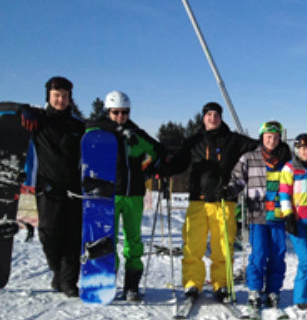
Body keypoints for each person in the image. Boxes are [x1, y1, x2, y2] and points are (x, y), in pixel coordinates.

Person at [164, 102, 258, 301]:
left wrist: (280, 149)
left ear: (221, 117)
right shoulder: (194, 141)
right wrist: (161, 170)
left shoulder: (233, 140)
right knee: (193, 245)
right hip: (198, 201)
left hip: (225, 201)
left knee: (223, 246)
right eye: (209, 115)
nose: (212, 118)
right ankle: (192, 284)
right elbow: (178, 163)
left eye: (216, 114)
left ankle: (221, 284)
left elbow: (260, 147)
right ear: (203, 117)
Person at [87, 91, 164, 300]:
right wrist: (114, 130)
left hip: (134, 194)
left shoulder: (136, 133)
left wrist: (146, 166)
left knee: (133, 242)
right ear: (108, 111)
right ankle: (107, 281)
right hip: (108, 196)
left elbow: (156, 151)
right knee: (106, 241)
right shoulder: (98, 130)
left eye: (124, 113)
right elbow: (86, 136)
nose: (120, 116)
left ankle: (131, 285)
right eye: (116, 112)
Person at [17, 77, 84, 296]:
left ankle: (68, 282)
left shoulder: (78, 124)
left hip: (74, 189)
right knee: (49, 235)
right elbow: (6, 108)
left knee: (73, 237)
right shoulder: (39, 119)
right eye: (56, 96)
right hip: (47, 188)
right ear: (49, 96)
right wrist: (22, 109)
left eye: (64, 96)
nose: (61, 100)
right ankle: (58, 271)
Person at [226, 120, 291, 309]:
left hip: (278, 214)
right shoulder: (249, 157)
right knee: (259, 254)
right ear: (262, 137)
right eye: (268, 137)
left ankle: (273, 289)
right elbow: (237, 179)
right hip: (257, 214)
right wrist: (229, 190)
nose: (272, 140)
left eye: (276, 137)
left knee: (278, 254)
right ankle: (254, 289)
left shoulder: (285, 161)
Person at [279, 133, 307, 310]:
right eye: (303, 149)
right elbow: (284, 193)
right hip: (298, 220)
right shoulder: (289, 168)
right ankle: (301, 298)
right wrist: (288, 215)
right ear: (297, 150)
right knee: (306, 259)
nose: (306, 152)